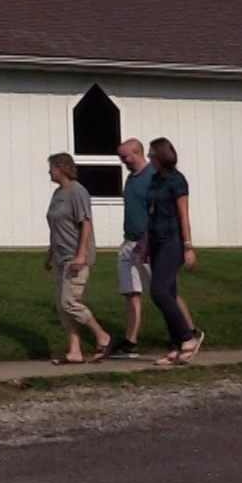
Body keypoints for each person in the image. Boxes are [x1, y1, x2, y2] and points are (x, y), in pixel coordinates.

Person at [45, 152, 112, 364]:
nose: (49, 171)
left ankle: (102, 336)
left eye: (52, 167)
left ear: (61, 168)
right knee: (62, 306)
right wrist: (50, 254)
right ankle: (74, 351)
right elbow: (57, 227)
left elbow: (86, 223)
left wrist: (81, 254)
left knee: (69, 302)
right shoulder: (58, 194)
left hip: (76, 257)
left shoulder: (77, 192)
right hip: (61, 257)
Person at [143, 137, 205, 366]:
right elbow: (151, 213)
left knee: (159, 291)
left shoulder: (176, 181)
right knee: (167, 291)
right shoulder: (155, 180)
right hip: (156, 240)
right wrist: (145, 244)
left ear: (161, 155)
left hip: (173, 240)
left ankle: (188, 337)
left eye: (152, 153)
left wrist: (188, 246)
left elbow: (183, 214)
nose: (149, 157)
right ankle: (175, 344)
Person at [108, 139, 154, 358]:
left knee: (163, 290)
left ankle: (186, 332)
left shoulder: (152, 177)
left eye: (124, 157)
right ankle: (130, 340)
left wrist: (147, 239)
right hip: (128, 241)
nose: (122, 161)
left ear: (136, 153)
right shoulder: (130, 179)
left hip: (148, 242)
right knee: (131, 292)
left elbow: (155, 212)